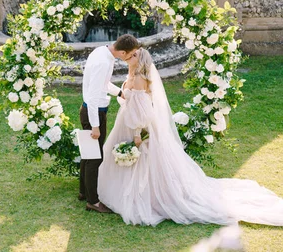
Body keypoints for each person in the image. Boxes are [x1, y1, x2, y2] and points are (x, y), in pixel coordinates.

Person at [98, 48, 283, 226]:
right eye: (131, 53)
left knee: (143, 160)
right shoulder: (131, 75)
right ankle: (122, 191)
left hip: (137, 126)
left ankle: (149, 196)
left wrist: (137, 133)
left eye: (135, 54)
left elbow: (142, 111)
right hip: (126, 122)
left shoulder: (139, 78)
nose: (130, 55)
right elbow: (129, 101)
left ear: (140, 60)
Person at [79, 34, 140, 213]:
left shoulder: (102, 52)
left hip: (94, 110)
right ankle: (93, 201)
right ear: (122, 52)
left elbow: (103, 84)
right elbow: (91, 97)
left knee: (88, 154)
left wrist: (119, 93)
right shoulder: (103, 63)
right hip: (94, 112)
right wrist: (95, 125)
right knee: (94, 158)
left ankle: (83, 191)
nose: (130, 58)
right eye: (130, 55)